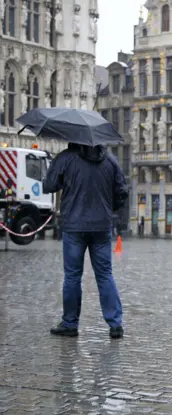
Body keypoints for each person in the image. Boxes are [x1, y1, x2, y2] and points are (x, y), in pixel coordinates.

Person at [43, 143, 127, 339]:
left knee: (72, 276)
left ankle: (70, 323)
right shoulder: (110, 160)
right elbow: (122, 192)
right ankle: (115, 324)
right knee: (105, 274)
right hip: (101, 226)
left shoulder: (65, 158)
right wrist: (108, 208)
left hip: (74, 225)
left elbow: (48, 186)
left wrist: (61, 177)